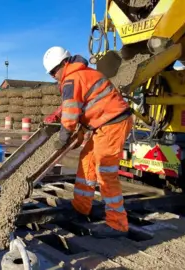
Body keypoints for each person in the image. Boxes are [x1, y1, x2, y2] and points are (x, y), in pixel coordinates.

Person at [43, 46, 133, 238]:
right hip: (103, 124)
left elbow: (71, 112)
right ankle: (81, 207)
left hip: (112, 123)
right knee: (86, 163)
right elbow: (78, 103)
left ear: (64, 63)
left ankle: (117, 224)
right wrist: (57, 116)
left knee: (105, 172)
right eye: (50, 73)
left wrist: (63, 137)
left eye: (53, 71)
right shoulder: (81, 74)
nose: (53, 76)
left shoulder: (72, 79)